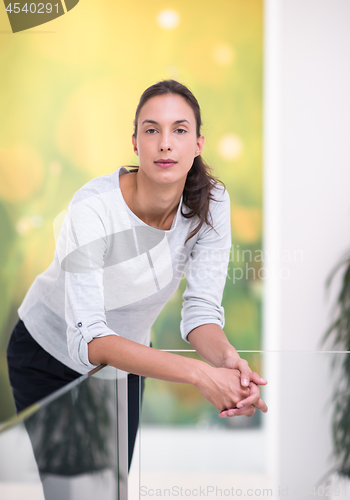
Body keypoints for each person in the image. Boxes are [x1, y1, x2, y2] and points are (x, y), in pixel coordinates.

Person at [7, 79, 268, 470]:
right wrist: (199, 374)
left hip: (126, 361)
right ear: (135, 143)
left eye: (179, 130)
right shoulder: (93, 208)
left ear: (198, 144)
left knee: (112, 488)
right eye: (152, 130)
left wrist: (228, 363)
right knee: (75, 491)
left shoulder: (212, 203)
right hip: (48, 354)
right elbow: (88, 338)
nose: (165, 143)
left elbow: (200, 313)